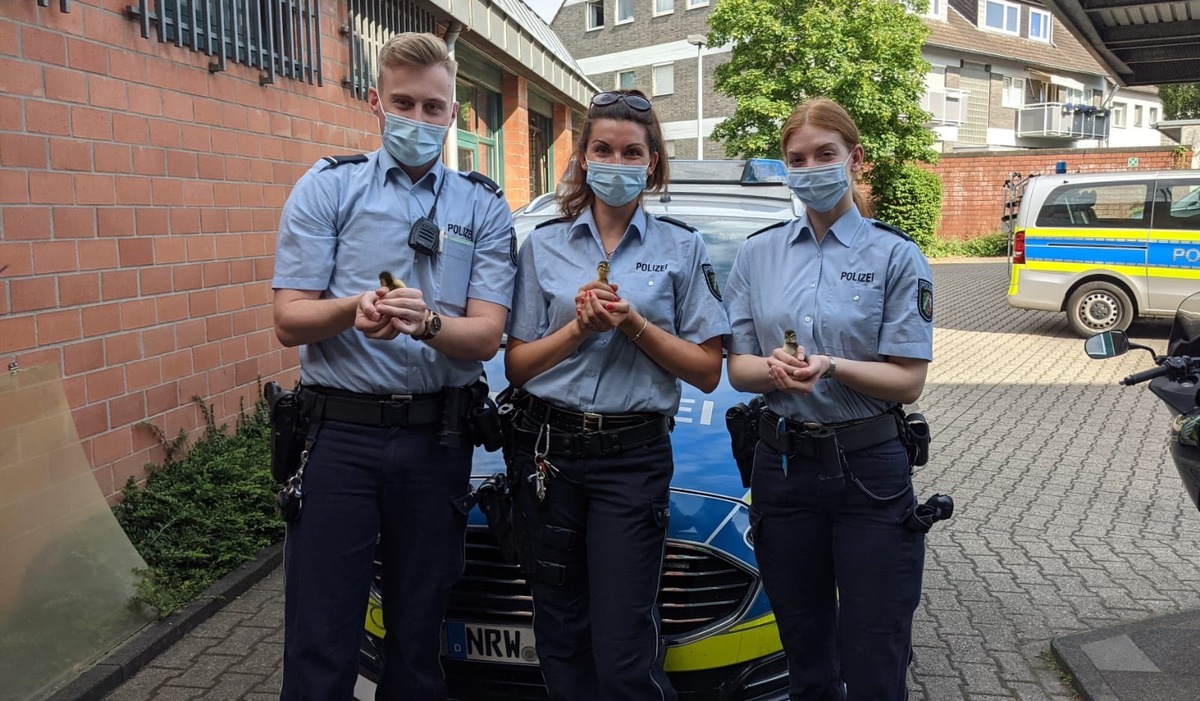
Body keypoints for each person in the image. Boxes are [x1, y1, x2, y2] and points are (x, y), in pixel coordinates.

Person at [271, 32, 515, 700]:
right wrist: (353, 308)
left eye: (433, 107)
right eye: (403, 103)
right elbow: (289, 316)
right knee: (322, 639)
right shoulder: (329, 187)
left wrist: (428, 322)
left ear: (455, 113)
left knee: (418, 639)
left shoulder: (483, 205)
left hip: (437, 442)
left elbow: (488, 333)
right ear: (376, 101)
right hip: (340, 438)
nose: (418, 119)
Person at [504, 89, 729, 701]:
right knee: (560, 625)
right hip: (549, 451)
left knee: (624, 634)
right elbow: (518, 366)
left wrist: (633, 324)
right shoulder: (542, 245)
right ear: (580, 157)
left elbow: (708, 371)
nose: (616, 161)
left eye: (632, 151)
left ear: (652, 163)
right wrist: (578, 329)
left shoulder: (683, 247)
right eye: (602, 148)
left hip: (632, 458)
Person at [722, 98, 934, 700]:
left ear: (853, 159)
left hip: (868, 474)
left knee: (874, 652)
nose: (810, 167)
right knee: (806, 655)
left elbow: (908, 381)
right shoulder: (757, 254)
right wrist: (773, 371)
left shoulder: (896, 255)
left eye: (825, 155)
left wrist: (833, 365)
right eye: (797, 158)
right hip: (783, 473)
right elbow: (738, 370)